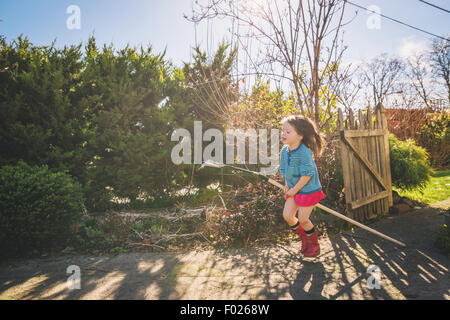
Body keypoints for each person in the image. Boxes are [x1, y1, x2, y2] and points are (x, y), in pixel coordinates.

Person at [279, 115, 326, 257]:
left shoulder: (305, 152)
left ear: (299, 135)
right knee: (287, 216)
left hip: (307, 190)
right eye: (282, 131)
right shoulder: (284, 151)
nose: (283, 134)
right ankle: (304, 238)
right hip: (294, 189)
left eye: (288, 132)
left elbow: (307, 175)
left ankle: (314, 245)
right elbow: (285, 171)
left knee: (304, 219)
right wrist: (287, 185)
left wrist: (294, 189)